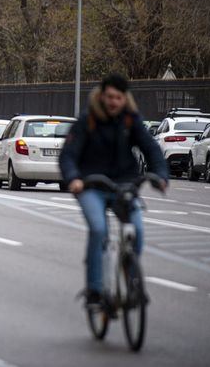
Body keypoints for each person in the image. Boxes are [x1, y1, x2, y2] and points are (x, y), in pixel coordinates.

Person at [59, 73, 168, 307]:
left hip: (124, 186)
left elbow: (151, 149)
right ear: (102, 95)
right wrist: (74, 178)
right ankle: (95, 291)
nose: (113, 102)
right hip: (92, 186)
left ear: (124, 98)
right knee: (99, 230)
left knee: (136, 231)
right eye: (110, 97)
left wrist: (160, 175)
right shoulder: (87, 120)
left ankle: (132, 284)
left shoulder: (131, 120)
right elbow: (68, 156)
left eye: (118, 98)